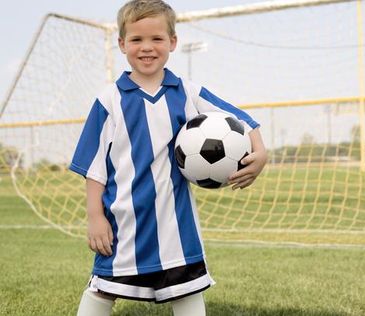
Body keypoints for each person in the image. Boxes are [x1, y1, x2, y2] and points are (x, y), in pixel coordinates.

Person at [69, 0, 267, 315]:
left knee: (188, 287)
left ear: (172, 43)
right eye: (136, 39)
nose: (146, 47)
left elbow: (241, 121)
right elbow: (94, 168)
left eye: (157, 39)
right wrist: (95, 217)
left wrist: (261, 153)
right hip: (124, 222)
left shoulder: (186, 92)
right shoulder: (109, 101)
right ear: (122, 44)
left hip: (176, 224)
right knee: (103, 287)